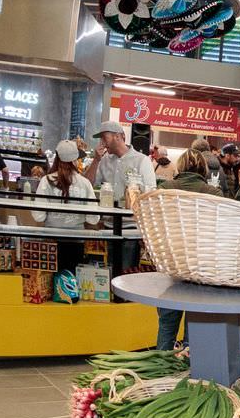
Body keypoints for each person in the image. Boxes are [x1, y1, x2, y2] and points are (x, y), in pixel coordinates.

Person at [155, 148, 221, 347]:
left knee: (167, 320)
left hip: (172, 261)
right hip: (202, 264)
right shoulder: (213, 193)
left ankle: (161, 366)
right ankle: (189, 368)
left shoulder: (166, 188)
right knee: (196, 321)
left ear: (181, 166)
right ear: (203, 168)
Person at [83, 121, 158, 207]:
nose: (102, 143)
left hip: (131, 218)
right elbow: (86, 185)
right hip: (108, 217)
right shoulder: (104, 160)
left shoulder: (142, 160)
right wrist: (96, 160)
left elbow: (151, 194)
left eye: (104, 138)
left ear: (117, 136)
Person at [32, 139, 95, 229]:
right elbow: (93, 219)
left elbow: (38, 216)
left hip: (51, 236)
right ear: (75, 160)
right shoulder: (85, 183)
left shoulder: (46, 180)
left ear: (56, 159)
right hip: (77, 237)